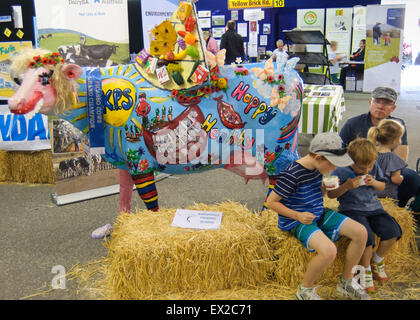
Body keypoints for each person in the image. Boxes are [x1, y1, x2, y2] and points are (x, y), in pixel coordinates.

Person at [266, 132, 369, 300]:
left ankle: (346, 282)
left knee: (361, 232)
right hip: (297, 220)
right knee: (329, 251)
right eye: (333, 164)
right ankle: (305, 290)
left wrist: (325, 187)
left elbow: (323, 196)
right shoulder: (291, 174)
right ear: (320, 158)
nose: (335, 168)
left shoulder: (316, 168)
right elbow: (271, 202)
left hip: (317, 212)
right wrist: (297, 216)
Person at [327, 138, 402, 293]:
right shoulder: (340, 170)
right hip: (351, 209)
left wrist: (373, 182)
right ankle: (365, 269)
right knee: (366, 237)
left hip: (374, 208)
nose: (367, 169)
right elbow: (331, 195)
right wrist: (346, 186)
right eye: (362, 167)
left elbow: (382, 186)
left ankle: (377, 261)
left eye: (370, 165)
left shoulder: (372, 168)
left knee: (393, 231)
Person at [339, 86, 420, 209]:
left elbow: (401, 159)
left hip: (388, 169)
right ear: (370, 102)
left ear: (393, 108)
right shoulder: (352, 124)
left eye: (387, 103)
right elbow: (339, 153)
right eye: (377, 101)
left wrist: (388, 171)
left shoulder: (397, 125)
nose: (381, 106)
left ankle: (397, 208)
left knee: (413, 179)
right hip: (357, 170)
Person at [367, 119, 407, 201]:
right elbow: (395, 179)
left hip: (368, 193)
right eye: (400, 138)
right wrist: (401, 178)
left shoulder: (369, 153)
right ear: (394, 141)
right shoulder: (394, 159)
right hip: (385, 196)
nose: (400, 141)